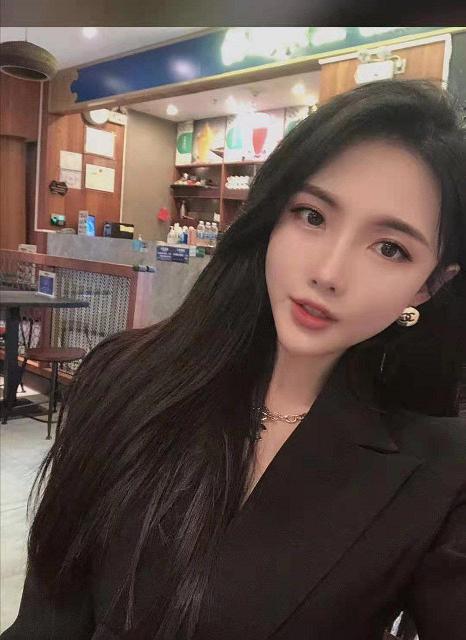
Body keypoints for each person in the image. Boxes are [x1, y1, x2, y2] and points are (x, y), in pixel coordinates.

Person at [2, 79, 466, 640]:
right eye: (312, 216)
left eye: (390, 248)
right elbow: (48, 616)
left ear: (429, 285)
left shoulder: (439, 470)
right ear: (272, 214)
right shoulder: (124, 376)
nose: (328, 273)